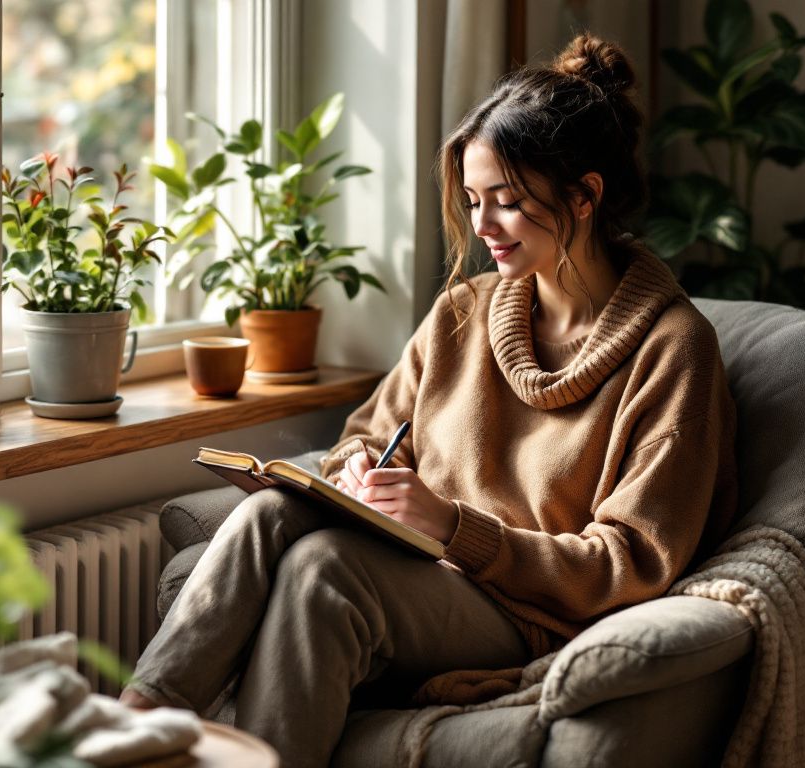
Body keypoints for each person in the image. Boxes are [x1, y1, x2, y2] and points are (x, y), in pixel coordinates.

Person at [119, 33, 738, 766]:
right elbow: (366, 434)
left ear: (584, 196)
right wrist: (353, 476)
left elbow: (626, 563)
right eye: (474, 201)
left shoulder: (673, 350)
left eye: (507, 203)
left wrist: (452, 526)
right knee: (268, 511)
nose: (481, 227)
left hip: (528, 608)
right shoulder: (462, 313)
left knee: (324, 574)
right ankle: (124, 734)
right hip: (422, 567)